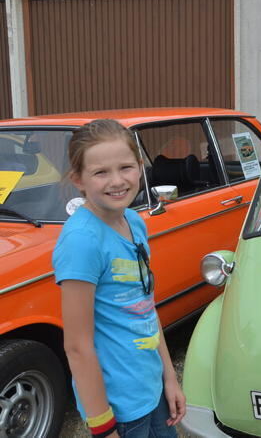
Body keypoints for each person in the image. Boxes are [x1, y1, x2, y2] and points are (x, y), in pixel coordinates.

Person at [53, 119, 185, 437]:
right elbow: (77, 346)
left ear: (140, 167)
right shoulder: (81, 241)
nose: (117, 181)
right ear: (78, 180)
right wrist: (103, 426)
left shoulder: (134, 222)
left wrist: (169, 377)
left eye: (125, 167)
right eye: (100, 172)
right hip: (120, 411)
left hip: (152, 391)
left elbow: (145, 305)